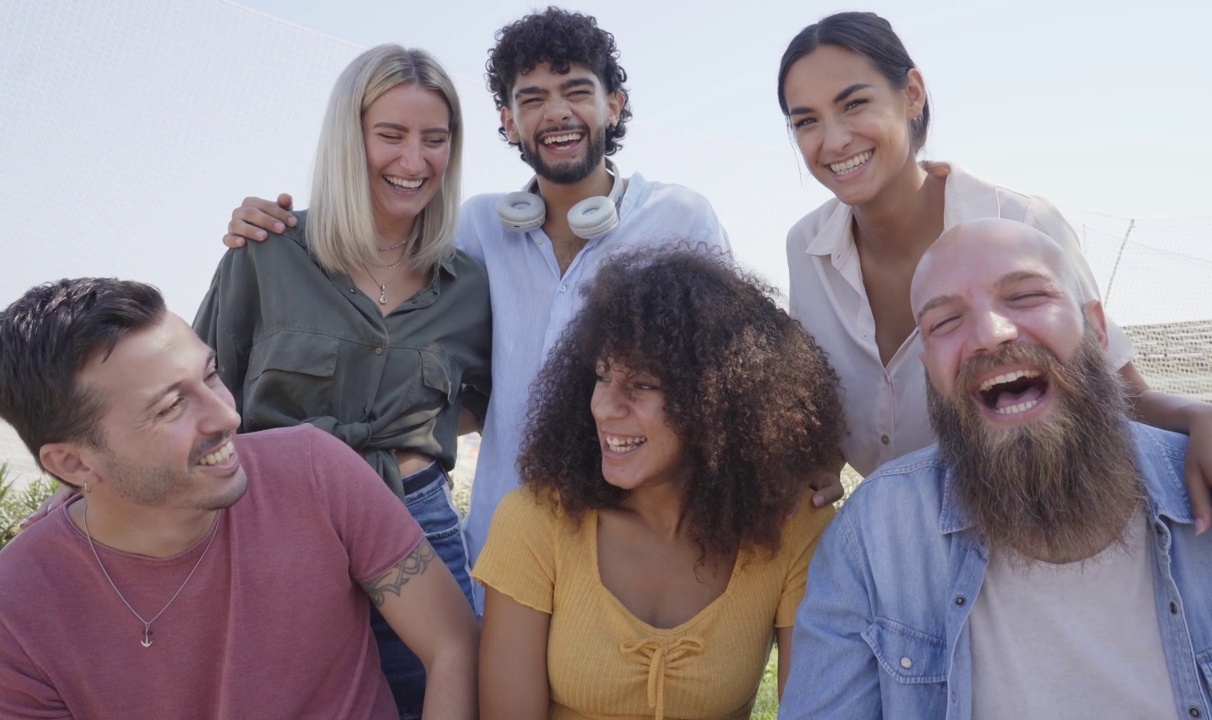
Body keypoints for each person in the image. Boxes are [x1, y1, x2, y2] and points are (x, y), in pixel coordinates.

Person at [220, 11, 842, 603]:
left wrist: (801, 455)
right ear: (508, 121)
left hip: (629, 556)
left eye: (576, 90)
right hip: (498, 555)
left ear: (614, 105)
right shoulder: (475, 231)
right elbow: (409, 331)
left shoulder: (679, 217)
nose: (557, 112)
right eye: (533, 98)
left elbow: (736, 377)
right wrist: (282, 228)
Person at [777, 11, 1212, 561]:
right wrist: (814, 463)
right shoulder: (806, 250)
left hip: (1027, 541)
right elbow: (825, 407)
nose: (833, 139)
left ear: (912, 94)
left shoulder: (1021, 223)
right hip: (900, 547)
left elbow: (1120, 394)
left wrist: (1209, 417)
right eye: (806, 121)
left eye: (854, 104)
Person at [779, 219, 1212, 719]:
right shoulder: (874, 538)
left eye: (1025, 296)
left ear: (1098, 330)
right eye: (946, 322)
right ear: (929, 368)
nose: (991, 335)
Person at [0, 278, 478, 719]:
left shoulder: (314, 470)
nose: (227, 416)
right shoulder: (19, 605)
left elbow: (453, 643)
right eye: (171, 407)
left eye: (210, 375)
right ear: (74, 465)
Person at [194, 44, 489, 719]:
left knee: (434, 697)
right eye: (390, 135)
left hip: (418, 527)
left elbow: (483, 403)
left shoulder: (469, 285)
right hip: (276, 526)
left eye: (434, 140)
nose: (413, 162)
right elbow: (200, 397)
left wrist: (413, 435)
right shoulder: (266, 251)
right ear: (347, 138)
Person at [472, 248, 844, 719]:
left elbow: (809, 709)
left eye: (643, 385)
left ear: (718, 399)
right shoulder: (535, 520)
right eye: (602, 376)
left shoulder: (790, 526)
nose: (605, 407)